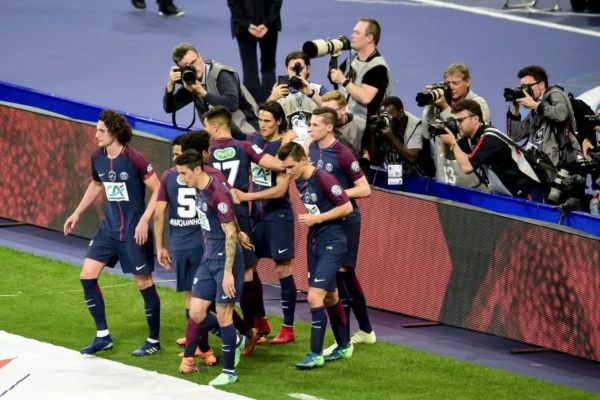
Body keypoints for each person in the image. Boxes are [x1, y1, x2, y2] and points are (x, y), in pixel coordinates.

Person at [63, 109, 161, 357]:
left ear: (115, 133)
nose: (96, 135)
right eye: (97, 129)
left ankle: (153, 340)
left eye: (101, 131)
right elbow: (97, 184)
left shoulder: (135, 158)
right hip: (108, 229)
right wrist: (77, 213)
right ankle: (103, 336)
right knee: (87, 276)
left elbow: (159, 190)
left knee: (143, 283)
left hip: (133, 232)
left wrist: (144, 220)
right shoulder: (97, 157)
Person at [204, 105, 284, 342]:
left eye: (207, 126)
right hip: (238, 210)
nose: (205, 130)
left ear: (215, 126)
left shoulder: (205, 149)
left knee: (209, 268)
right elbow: (277, 165)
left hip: (210, 212)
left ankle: (205, 335)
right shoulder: (244, 146)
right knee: (248, 270)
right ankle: (250, 333)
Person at [304, 108, 376, 356]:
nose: (310, 128)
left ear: (329, 127)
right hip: (325, 221)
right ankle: (364, 331)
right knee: (345, 276)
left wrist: (335, 193)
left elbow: (365, 189)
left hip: (346, 219)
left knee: (339, 276)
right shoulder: (313, 148)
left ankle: (343, 339)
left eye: (315, 124)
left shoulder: (344, 153)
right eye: (310, 124)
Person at [276, 142, 354, 369]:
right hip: (315, 243)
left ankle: (315, 354)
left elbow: (347, 207)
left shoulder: (324, 178)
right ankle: (344, 346)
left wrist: (316, 219)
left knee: (314, 297)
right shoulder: (299, 179)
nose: (288, 171)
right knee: (329, 297)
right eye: (285, 167)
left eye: (291, 166)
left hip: (332, 243)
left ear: (303, 160)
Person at [175, 149, 247, 386]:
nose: (181, 178)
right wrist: (239, 231)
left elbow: (228, 232)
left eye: (184, 173)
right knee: (196, 313)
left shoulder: (216, 192)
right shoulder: (199, 187)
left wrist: (227, 272)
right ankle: (236, 340)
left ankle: (229, 372)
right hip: (208, 259)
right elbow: (229, 219)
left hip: (225, 261)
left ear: (197, 169)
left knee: (224, 315)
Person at [233, 101, 297, 345]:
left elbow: (280, 190)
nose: (262, 124)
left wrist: (246, 197)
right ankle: (260, 321)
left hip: (278, 215)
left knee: (282, 269)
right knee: (250, 267)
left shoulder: (287, 146)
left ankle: (288, 328)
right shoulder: (252, 140)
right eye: (260, 119)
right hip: (256, 216)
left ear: (279, 121)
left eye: (268, 120)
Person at [154, 132, 218, 366]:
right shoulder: (208, 174)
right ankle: (202, 344)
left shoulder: (168, 176)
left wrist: (160, 246)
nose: (175, 159)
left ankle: (206, 345)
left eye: (177, 154)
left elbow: (159, 214)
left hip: (180, 245)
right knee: (204, 300)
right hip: (203, 243)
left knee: (191, 299)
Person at [227, 0, 282, 103]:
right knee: (267, 67)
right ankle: (270, 106)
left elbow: (233, 4)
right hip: (266, 25)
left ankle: (253, 106)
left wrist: (246, 24)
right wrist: (267, 22)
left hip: (244, 26)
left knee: (250, 68)